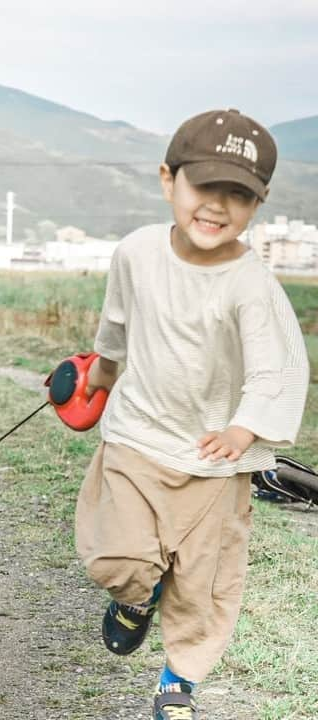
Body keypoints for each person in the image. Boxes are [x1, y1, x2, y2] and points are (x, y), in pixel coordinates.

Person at [74, 108, 310, 720]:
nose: (218, 206)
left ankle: (178, 680)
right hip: (136, 436)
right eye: (206, 185)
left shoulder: (251, 285)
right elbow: (116, 332)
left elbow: (276, 369)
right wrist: (93, 380)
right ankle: (136, 596)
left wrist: (243, 429)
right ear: (167, 180)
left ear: (257, 205)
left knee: (205, 582)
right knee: (119, 557)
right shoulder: (136, 253)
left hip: (213, 457)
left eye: (239, 194)